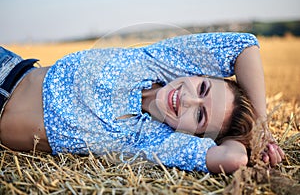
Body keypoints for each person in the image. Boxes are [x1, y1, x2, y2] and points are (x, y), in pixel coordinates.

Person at [0, 32, 284, 174]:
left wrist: (252, 140)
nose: (187, 98)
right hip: (9, 65)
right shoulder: (157, 63)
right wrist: (262, 124)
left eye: (199, 115)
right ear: (198, 74)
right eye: (203, 88)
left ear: (195, 136)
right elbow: (245, 45)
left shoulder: (151, 139)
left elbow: (231, 158)